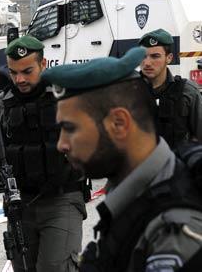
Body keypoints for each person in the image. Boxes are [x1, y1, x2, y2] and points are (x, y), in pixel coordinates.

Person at [42, 47, 202, 271]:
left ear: (119, 123)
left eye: (70, 128)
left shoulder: (173, 236)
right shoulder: (138, 195)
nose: (62, 144)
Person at [0, 35, 86, 272]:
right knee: (23, 267)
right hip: (20, 204)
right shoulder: (3, 104)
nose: (19, 79)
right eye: (13, 73)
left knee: (54, 267)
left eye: (27, 71)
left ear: (43, 65)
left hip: (62, 200)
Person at [138, 28, 202, 148]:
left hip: (177, 165)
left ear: (169, 58)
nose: (147, 63)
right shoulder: (127, 91)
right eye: (143, 56)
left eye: (155, 56)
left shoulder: (187, 91)